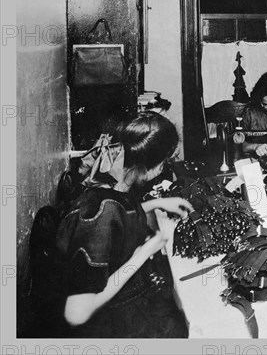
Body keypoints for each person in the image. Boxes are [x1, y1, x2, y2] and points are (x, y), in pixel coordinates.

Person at [56, 112, 192, 338]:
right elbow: (76, 313)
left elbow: (118, 212)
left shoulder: (110, 185)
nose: (162, 169)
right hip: (109, 327)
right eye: (163, 163)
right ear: (148, 165)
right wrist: (143, 253)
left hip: (126, 303)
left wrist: (156, 203)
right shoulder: (99, 215)